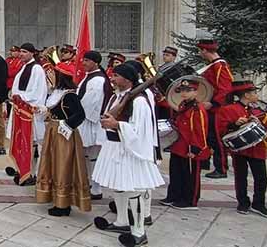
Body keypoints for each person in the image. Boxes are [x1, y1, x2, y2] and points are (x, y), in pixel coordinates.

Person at [93, 62, 163, 247]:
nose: (112, 79)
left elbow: (140, 130)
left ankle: (139, 232)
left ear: (127, 79)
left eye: (116, 76)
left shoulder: (138, 101)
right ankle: (122, 221)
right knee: (119, 186)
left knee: (134, 191)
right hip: (114, 147)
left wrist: (117, 125)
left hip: (130, 151)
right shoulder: (116, 97)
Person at [37, 64, 90, 216]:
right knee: (51, 163)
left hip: (63, 134)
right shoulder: (57, 93)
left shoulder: (69, 95)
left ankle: (63, 204)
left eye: (53, 73)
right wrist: (45, 111)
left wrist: (66, 125)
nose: (50, 76)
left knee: (63, 165)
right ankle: (55, 197)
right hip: (53, 131)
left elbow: (80, 115)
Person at [215, 81, 267, 218]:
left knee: (262, 178)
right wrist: (234, 124)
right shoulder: (229, 109)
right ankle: (243, 202)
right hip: (240, 149)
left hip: (257, 148)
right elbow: (221, 130)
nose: (256, 95)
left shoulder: (259, 111)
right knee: (241, 177)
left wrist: (259, 123)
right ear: (246, 95)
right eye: (254, 93)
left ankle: (259, 204)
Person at [161, 77, 210, 210]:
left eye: (188, 90)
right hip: (179, 145)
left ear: (196, 92)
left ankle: (190, 201)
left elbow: (200, 130)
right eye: (182, 90)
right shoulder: (183, 105)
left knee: (190, 175)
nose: (184, 93)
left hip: (190, 147)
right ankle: (174, 196)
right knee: (176, 173)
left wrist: (195, 149)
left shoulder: (196, 109)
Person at [6, 43, 47, 186]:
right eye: (20, 51)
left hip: (30, 111)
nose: (21, 54)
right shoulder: (24, 67)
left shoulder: (37, 69)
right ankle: (22, 169)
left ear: (32, 53)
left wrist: (22, 97)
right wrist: (14, 95)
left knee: (32, 143)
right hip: (20, 109)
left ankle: (32, 172)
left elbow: (38, 91)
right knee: (21, 141)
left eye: (24, 52)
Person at [78, 51, 113, 200]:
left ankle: (96, 189)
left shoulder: (98, 80)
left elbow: (90, 103)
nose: (83, 63)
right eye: (83, 60)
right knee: (87, 155)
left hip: (92, 121)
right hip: (85, 120)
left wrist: (76, 112)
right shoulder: (90, 77)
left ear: (96, 62)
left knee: (93, 155)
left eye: (87, 60)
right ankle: (88, 184)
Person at [198, 39, 234, 179]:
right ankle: (205, 162)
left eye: (200, 51)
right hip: (212, 107)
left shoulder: (219, 66)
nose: (199, 54)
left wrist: (213, 103)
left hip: (218, 109)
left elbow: (225, 89)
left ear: (204, 50)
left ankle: (221, 169)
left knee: (217, 139)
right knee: (209, 137)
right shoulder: (214, 65)